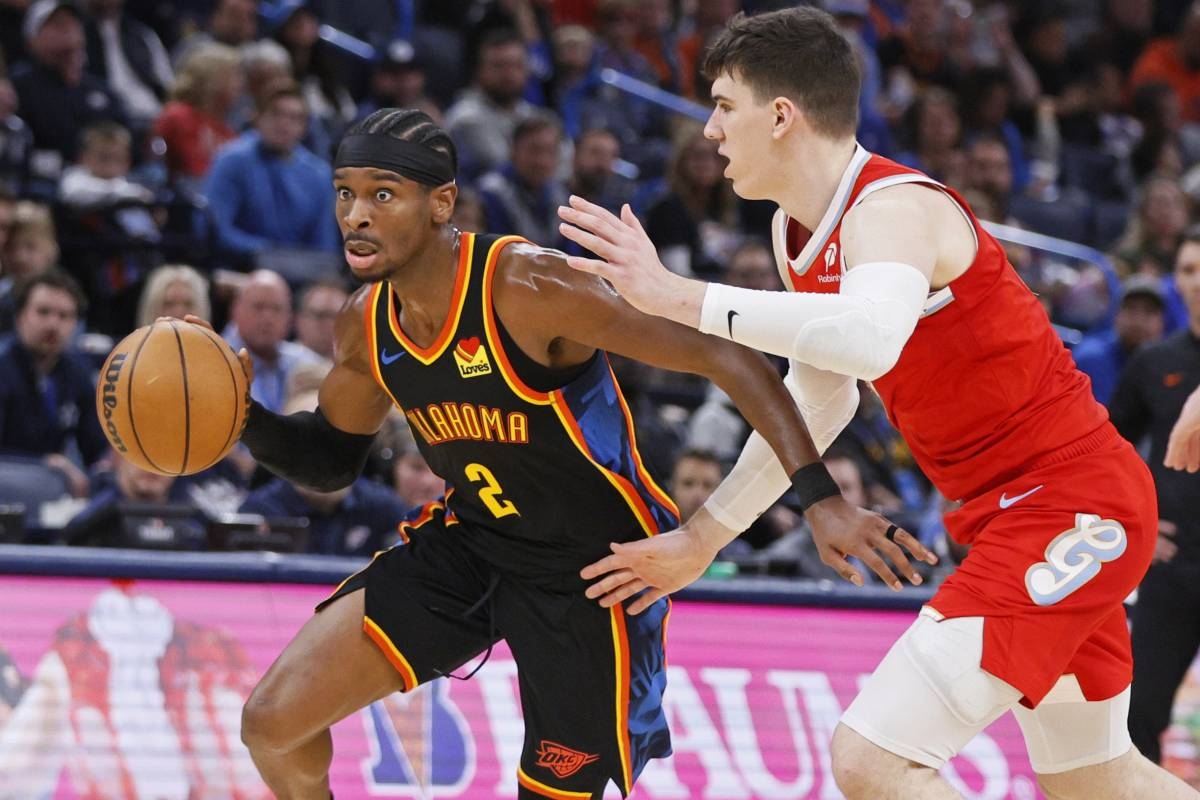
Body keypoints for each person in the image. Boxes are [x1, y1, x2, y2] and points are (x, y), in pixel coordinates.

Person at [557, 7, 1197, 799]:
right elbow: (818, 402)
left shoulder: (893, 211)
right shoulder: (798, 237)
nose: (711, 130)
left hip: (1069, 505)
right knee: (1100, 783)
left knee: (873, 760)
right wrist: (703, 536)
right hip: (1007, 514)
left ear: (781, 115)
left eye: (724, 105)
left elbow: (867, 340)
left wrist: (678, 295)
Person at [210, 107, 921, 800]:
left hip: (598, 570)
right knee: (272, 723)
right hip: (474, 545)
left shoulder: (530, 288)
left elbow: (729, 358)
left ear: (441, 203)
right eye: (345, 194)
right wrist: (244, 419)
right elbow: (333, 460)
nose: (355, 215)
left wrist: (820, 499)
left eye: (381, 195)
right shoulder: (365, 325)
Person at [1108, 230, 1200, 765]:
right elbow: (1104, 450)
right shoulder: (1153, 362)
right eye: (1186, 270)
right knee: (1139, 712)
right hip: (1172, 566)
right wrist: (1132, 525)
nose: (1196, 282)